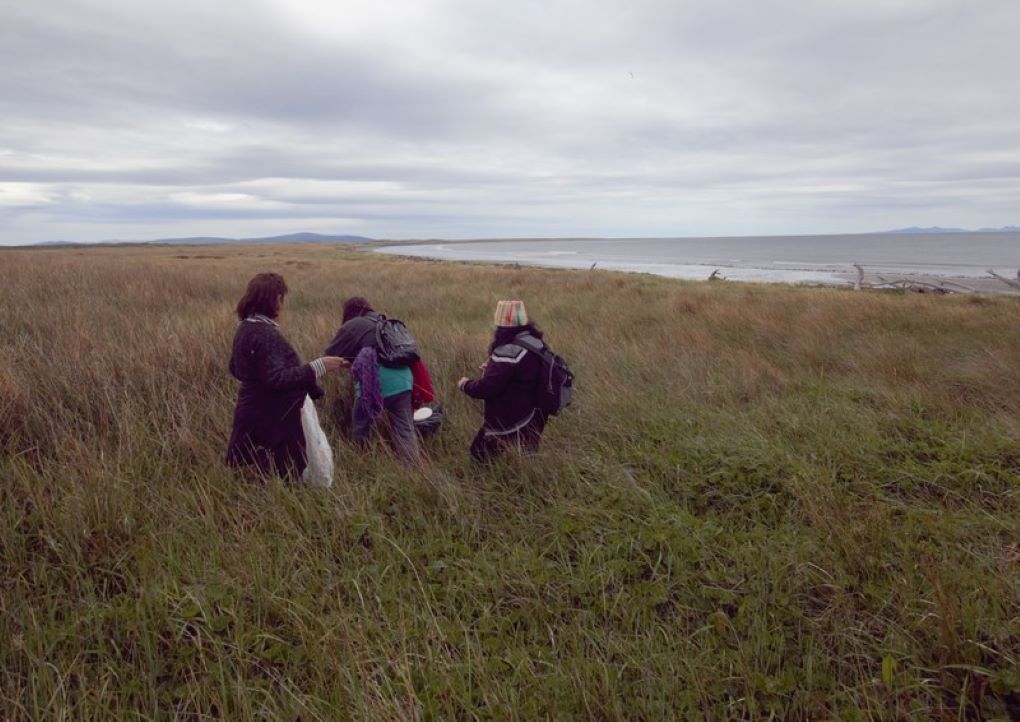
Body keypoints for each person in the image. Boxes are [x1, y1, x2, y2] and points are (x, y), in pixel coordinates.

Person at [226, 272, 346, 478]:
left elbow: (235, 368)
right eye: (281, 297)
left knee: (255, 468)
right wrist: (319, 366)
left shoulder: (245, 328)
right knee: (281, 471)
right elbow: (275, 379)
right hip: (272, 415)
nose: (282, 304)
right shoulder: (264, 333)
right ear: (274, 299)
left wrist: (254, 383)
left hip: (252, 409)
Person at [324, 297, 421, 464]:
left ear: (348, 312)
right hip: (404, 381)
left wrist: (350, 361)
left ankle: (362, 464)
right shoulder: (383, 320)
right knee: (405, 430)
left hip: (374, 384)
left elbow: (329, 354)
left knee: (360, 427)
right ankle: (413, 468)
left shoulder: (352, 325)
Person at [458, 300, 548, 462]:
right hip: (536, 413)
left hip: (512, 417)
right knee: (528, 459)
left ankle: (480, 485)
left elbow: (487, 388)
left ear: (501, 326)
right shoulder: (535, 342)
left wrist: (465, 384)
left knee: (478, 456)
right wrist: (493, 367)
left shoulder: (507, 350)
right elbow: (522, 372)